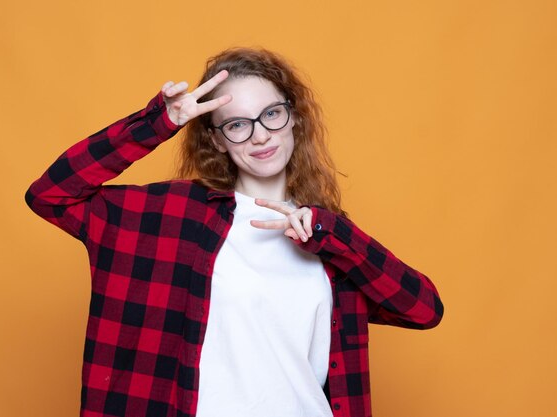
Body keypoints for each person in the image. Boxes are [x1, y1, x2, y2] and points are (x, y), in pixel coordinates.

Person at [26, 47, 443, 417]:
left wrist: (329, 232)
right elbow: (51, 196)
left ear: (293, 117)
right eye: (238, 124)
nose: (260, 134)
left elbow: (424, 309)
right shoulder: (172, 217)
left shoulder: (328, 236)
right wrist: (158, 122)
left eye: (271, 114)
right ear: (218, 140)